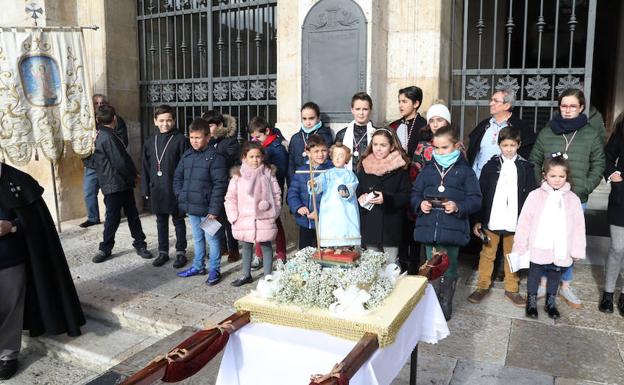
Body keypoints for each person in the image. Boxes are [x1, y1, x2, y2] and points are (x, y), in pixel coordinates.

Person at [0, 163, 85, 380]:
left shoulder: (19, 180)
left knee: (10, 308)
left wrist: (12, 226)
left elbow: (36, 222)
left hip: (10, 258)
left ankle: (7, 356)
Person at [529, 88, 605, 309]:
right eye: (564, 105)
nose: (568, 110)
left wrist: (585, 188)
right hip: (548, 197)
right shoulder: (547, 132)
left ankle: (565, 284)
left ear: (581, 107)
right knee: (546, 238)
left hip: (575, 197)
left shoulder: (590, 134)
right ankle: (543, 281)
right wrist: (541, 185)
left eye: (573, 106)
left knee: (568, 240)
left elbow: (599, 163)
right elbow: (535, 159)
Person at [411, 125, 482, 320]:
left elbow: (475, 199)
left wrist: (458, 206)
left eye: (445, 147)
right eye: (437, 148)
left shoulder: (465, 172)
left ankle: (445, 302)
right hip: (428, 228)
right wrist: (420, 204)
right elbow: (415, 193)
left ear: (456, 146)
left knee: (448, 267)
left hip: (452, 230)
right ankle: (431, 302)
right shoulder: (427, 170)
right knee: (431, 266)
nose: (440, 152)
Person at [467, 126, 537, 307]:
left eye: (512, 145)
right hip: (492, 220)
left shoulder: (526, 168)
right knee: (487, 253)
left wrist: (529, 222)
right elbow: (481, 194)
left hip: (515, 221)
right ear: (499, 145)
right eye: (505, 145)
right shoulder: (490, 166)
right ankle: (482, 286)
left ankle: (512, 289)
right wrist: (477, 219)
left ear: (518, 145)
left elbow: (531, 197)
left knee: (513, 254)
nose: (509, 149)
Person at [512, 156, 586, 319]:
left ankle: (550, 302)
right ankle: (531, 302)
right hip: (538, 245)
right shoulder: (535, 195)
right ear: (544, 175)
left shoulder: (573, 199)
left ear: (567, 176)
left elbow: (579, 226)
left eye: (562, 176)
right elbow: (525, 221)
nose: (557, 180)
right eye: (553, 176)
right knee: (534, 273)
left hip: (561, 247)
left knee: (555, 273)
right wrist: (520, 244)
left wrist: (577, 249)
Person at [91, 105, 154, 263]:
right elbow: (120, 161)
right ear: (114, 119)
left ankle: (139, 244)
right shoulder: (107, 136)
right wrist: (134, 175)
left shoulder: (103, 135)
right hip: (114, 183)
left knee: (132, 215)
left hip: (119, 182)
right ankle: (106, 247)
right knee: (114, 217)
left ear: (98, 120)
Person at [174, 118, 228, 285]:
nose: (194, 141)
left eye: (198, 138)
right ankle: (198, 266)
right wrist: (181, 195)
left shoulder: (215, 157)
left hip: (208, 210)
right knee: (197, 238)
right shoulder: (187, 155)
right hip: (192, 206)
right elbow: (178, 177)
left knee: (212, 239)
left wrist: (214, 210)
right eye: (191, 138)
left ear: (207, 137)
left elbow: (220, 185)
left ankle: (214, 269)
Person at [225, 142, 282, 286]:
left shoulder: (268, 173)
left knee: (266, 245)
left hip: (265, 217)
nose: (255, 160)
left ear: (262, 157)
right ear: (244, 157)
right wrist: (233, 217)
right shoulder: (238, 175)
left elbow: (276, 194)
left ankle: (268, 277)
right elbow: (231, 197)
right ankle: (246, 274)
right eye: (251, 156)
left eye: (258, 156)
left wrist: (274, 212)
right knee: (246, 245)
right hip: (244, 218)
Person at [141, 104, 189, 268]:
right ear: (155, 121)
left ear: (174, 121)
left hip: (175, 188)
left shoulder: (181, 140)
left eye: (169, 120)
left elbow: (185, 166)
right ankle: (163, 252)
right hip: (157, 188)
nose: (165, 124)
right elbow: (145, 166)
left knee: (178, 220)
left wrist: (184, 189)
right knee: (161, 221)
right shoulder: (150, 142)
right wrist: (145, 188)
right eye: (161, 120)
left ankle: (181, 252)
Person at [356, 128, 411, 264]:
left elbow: (406, 195)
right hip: (370, 225)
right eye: (375, 145)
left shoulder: (400, 169)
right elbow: (358, 190)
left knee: (391, 265)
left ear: (392, 146)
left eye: (383, 145)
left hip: (390, 225)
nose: (378, 149)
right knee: (371, 266)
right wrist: (360, 197)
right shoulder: (364, 167)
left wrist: (386, 198)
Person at [79, 94, 129, 228]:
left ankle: (111, 217)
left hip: (109, 165)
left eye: (102, 103)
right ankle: (93, 217)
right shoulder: (86, 123)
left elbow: (123, 141)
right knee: (89, 192)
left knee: (110, 194)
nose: (100, 105)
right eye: (96, 103)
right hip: (92, 164)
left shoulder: (117, 121)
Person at [467, 89, 535, 179]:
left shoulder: (520, 127)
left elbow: (527, 156)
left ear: (506, 105)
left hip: (507, 180)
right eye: (491, 100)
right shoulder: (483, 125)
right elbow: (473, 153)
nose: (491, 103)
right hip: (480, 180)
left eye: (496, 101)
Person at [203, 109, 242, 263]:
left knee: (227, 220)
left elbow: (231, 161)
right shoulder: (207, 142)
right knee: (212, 218)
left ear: (219, 125)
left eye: (211, 125)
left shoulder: (230, 141)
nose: (208, 129)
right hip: (209, 186)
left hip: (225, 186)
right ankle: (220, 246)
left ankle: (233, 249)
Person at [248, 116, 288, 263]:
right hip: (258, 191)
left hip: (272, 191)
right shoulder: (257, 145)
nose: (256, 140)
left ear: (267, 131)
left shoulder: (277, 148)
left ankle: (281, 254)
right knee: (258, 222)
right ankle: (259, 254)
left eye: (258, 136)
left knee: (274, 222)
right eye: (253, 137)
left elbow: (280, 173)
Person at [287, 134, 333, 249]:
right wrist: (298, 207)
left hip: (325, 222)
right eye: (316, 151)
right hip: (306, 222)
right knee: (305, 251)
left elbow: (333, 197)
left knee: (325, 252)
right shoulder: (301, 171)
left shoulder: (332, 170)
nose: (320, 154)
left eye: (323, 150)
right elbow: (292, 193)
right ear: (307, 152)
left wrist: (320, 212)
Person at [312, 142, 360, 248]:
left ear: (346, 159)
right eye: (335, 155)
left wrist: (346, 190)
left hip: (345, 207)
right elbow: (320, 183)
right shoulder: (327, 173)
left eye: (341, 156)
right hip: (329, 207)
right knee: (330, 226)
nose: (337, 158)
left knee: (344, 225)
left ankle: (344, 247)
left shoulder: (349, 174)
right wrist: (315, 183)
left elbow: (353, 185)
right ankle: (330, 247)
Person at [599, 112, 624, 315]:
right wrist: (613, 175)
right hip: (621, 199)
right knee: (618, 247)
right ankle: (608, 293)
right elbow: (606, 158)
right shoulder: (622, 129)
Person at [287, 102, 334, 185]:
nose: (308, 122)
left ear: (318, 118)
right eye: (304, 119)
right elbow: (291, 164)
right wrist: (292, 183)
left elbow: (329, 162)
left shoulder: (325, 136)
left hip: (319, 182)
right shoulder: (296, 138)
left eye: (311, 118)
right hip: (299, 182)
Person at [335, 92, 376, 171]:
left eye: (365, 109)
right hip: (347, 178)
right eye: (357, 109)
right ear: (352, 110)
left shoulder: (377, 133)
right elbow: (335, 158)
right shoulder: (342, 134)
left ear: (370, 110)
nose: (361, 113)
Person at [389, 86, 427, 159]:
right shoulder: (394, 126)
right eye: (399, 102)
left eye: (404, 102)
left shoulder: (424, 126)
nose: (400, 105)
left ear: (416, 104)